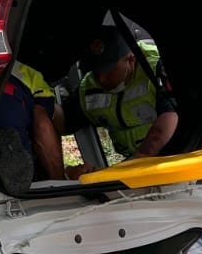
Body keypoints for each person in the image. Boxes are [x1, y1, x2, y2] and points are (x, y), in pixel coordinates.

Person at [75, 24, 178, 160]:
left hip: (174, 156)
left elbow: (168, 120)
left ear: (130, 59)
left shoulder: (156, 70)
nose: (102, 78)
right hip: (131, 163)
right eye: (96, 71)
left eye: (109, 70)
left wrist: (135, 163)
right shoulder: (88, 88)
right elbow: (64, 120)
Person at [0, 59, 66, 194]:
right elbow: (42, 125)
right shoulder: (43, 89)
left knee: (14, 133)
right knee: (19, 147)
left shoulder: (28, 72)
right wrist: (58, 180)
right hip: (5, 97)